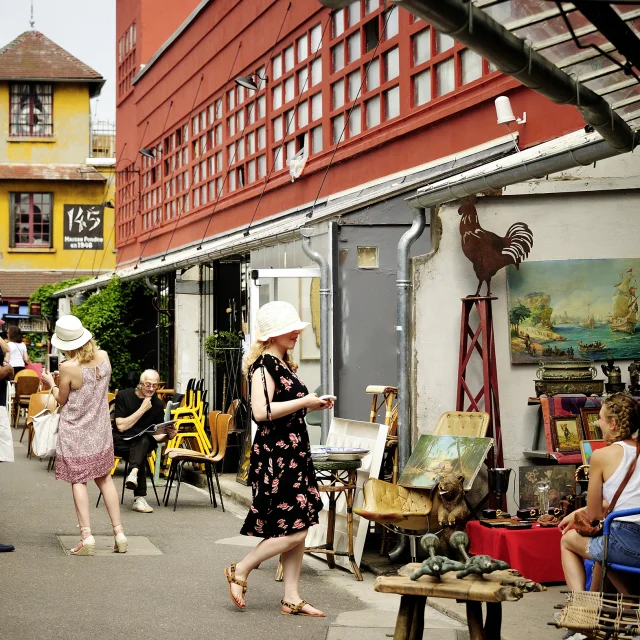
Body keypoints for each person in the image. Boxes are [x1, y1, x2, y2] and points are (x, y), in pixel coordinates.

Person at [225, 300, 333, 616]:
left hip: (294, 452)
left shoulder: (285, 365)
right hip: (278, 455)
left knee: (297, 521)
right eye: (291, 330)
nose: (296, 334)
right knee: (296, 530)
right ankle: (241, 569)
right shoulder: (263, 367)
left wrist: (311, 404)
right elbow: (261, 412)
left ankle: (291, 596)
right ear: (273, 335)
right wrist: (304, 402)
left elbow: (285, 406)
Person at [41, 315, 127, 556]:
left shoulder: (68, 367)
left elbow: (61, 399)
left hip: (75, 430)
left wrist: (51, 382)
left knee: (78, 481)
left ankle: (86, 536)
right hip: (99, 429)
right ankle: (119, 533)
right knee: (105, 478)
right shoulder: (104, 357)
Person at [559, 393, 640, 594]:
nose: (597, 423)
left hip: (624, 544)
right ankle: (607, 601)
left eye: (601, 418)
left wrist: (582, 514)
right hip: (628, 541)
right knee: (600, 548)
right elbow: (630, 501)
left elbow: (594, 515)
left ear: (613, 424)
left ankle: (580, 604)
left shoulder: (601, 456)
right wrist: (574, 514)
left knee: (568, 541)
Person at [113, 369, 176, 513]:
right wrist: (142, 409)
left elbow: (157, 435)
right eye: (148, 385)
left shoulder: (158, 404)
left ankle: (133, 474)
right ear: (141, 384)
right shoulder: (124, 395)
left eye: (155, 385)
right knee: (139, 452)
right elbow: (121, 426)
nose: (152, 389)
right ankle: (139, 498)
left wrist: (168, 435)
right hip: (121, 441)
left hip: (145, 442)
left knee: (144, 437)